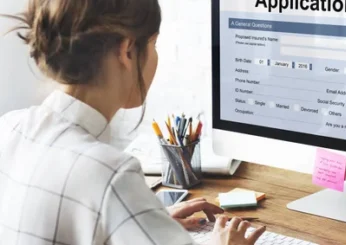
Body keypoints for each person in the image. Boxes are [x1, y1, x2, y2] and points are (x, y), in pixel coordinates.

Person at [0, 0, 266, 244]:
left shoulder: (9, 128)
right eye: (153, 44)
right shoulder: (109, 172)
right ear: (127, 51)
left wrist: (145, 218)